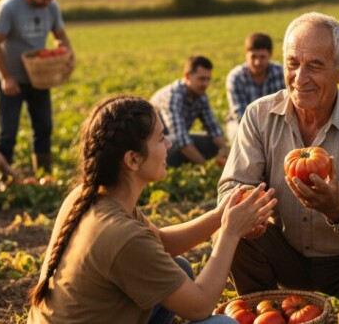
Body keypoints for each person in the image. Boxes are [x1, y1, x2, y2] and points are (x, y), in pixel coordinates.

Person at [218, 12, 339, 324]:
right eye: (293, 63)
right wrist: (248, 211)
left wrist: (337, 208)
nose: (299, 77)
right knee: (231, 231)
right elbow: (232, 186)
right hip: (286, 249)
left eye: (315, 66)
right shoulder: (259, 116)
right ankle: (267, 311)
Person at [28, 95, 275, 324]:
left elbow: (163, 243)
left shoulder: (93, 196)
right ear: (132, 159)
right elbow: (200, 306)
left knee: (180, 269)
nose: (169, 144)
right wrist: (230, 233)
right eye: (160, 138)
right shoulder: (122, 235)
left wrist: (219, 216)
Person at [0, 0, 74, 174]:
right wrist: (6, 77)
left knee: (43, 127)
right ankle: (4, 175)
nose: (47, 3)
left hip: (38, 78)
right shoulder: (9, 7)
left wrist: (69, 55)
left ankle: (43, 173)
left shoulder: (51, 6)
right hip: (10, 79)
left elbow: (60, 35)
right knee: (8, 131)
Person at [151, 55, 230, 167]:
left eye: (208, 79)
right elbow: (180, 139)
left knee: (212, 142)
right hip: (156, 144)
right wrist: (205, 166)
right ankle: (170, 166)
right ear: (188, 76)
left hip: (175, 141)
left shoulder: (201, 96)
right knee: (175, 141)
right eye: (201, 79)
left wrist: (225, 148)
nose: (205, 84)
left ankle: (186, 163)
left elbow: (213, 128)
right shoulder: (173, 97)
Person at [224, 32, 286, 142]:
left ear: (270, 55)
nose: (257, 62)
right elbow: (240, 113)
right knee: (238, 134)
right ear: (246, 54)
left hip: (276, 122)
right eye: (253, 57)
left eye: (262, 57)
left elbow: (286, 106)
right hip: (244, 122)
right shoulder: (236, 77)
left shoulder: (281, 73)